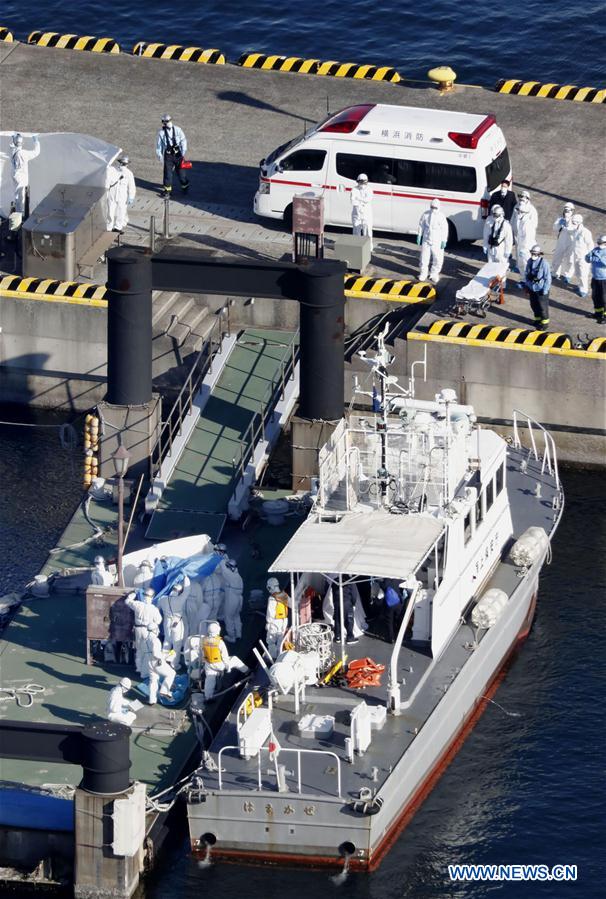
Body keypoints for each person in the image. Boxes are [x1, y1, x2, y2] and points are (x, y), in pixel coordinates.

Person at [202, 621, 249, 701]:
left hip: (209, 665)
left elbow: (202, 654)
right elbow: (225, 657)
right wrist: (228, 667)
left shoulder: (203, 640)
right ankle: (248, 671)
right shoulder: (220, 643)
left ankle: (208, 697)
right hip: (219, 665)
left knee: (209, 681)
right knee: (234, 659)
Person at [125, 589, 162, 674]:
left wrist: (134, 593)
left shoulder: (137, 604)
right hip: (147, 631)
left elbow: (127, 601)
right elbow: (159, 621)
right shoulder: (154, 609)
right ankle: (146, 669)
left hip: (138, 630)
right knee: (148, 650)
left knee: (139, 650)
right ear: (152, 597)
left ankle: (138, 668)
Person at [140, 624, 175, 704]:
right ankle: (164, 691)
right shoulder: (155, 640)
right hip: (157, 662)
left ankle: (152, 700)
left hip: (148, 661)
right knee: (171, 673)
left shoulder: (145, 639)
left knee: (153, 680)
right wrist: (167, 654)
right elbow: (156, 654)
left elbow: (144, 650)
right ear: (154, 630)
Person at [156, 113, 189, 196]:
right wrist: (159, 155)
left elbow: (183, 140)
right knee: (168, 174)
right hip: (168, 156)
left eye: (167, 121)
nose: (166, 123)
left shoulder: (178, 129)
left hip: (178, 155)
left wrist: (183, 151)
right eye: (164, 122)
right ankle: (167, 190)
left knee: (181, 173)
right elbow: (159, 145)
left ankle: (185, 186)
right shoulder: (161, 133)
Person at [417, 198, 449, 284]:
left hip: (437, 241)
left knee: (438, 259)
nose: (433, 209)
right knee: (424, 258)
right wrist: (419, 235)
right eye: (432, 207)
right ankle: (423, 273)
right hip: (426, 240)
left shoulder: (441, 216)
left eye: (435, 207)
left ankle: (434, 274)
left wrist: (444, 240)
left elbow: (445, 229)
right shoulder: (425, 214)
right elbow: (421, 225)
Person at [158, 583, 188, 668]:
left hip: (166, 622)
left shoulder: (162, 599)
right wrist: (186, 578)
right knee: (177, 644)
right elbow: (187, 591)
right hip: (177, 622)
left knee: (167, 641)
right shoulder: (180, 599)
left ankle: (163, 662)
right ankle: (174, 664)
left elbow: (157, 608)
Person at [511, 190, 538, 281]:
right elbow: (513, 218)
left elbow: (534, 224)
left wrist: (527, 233)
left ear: (528, 199)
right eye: (521, 196)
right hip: (517, 234)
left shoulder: (531, 210)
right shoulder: (517, 206)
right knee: (518, 251)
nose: (522, 198)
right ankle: (518, 265)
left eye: (524, 197)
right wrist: (511, 229)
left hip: (527, 238)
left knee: (525, 255)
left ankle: (527, 275)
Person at [11, 132, 40, 215]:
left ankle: (18, 212)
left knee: (17, 195)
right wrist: (36, 141)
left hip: (15, 174)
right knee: (21, 196)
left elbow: (12, 145)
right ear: (22, 143)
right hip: (21, 176)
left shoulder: (13, 150)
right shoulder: (24, 153)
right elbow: (36, 152)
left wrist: (13, 138)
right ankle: (20, 214)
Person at [523, 245, 552, 328]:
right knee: (534, 305)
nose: (533, 255)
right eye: (532, 253)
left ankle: (544, 323)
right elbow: (527, 274)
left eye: (535, 253)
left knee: (542, 307)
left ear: (539, 254)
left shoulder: (544, 263)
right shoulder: (529, 261)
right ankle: (537, 320)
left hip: (541, 289)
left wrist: (545, 290)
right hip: (532, 288)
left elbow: (548, 278)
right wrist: (527, 286)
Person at [106, 155, 136, 234]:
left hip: (122, 195)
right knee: (110, 210)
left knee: (121, 211)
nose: (123, 165)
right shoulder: (112, 170)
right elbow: (107, 181)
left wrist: (131, 196)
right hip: (112, 193)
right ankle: (109, 226)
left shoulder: (129, 173)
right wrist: (106, 192)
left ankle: (118, 227)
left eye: (124, 164)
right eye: (122, 163)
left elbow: (131, 186)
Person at [265, 578, 290, 659]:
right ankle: (280, 656)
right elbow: (292, 604)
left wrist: (268, 623)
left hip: (275, 621)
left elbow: (270, 613)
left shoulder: (272, 598)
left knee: (271, 640)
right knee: (281, 639)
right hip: (284, 620)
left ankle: (273, 656)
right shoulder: (283, 595)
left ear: (271, 587)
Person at [220, 558, 243, 643]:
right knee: (236, 616)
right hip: (239, 599)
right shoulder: (238, 576)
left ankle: (231, 637)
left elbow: (222, 567)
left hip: (232, 599)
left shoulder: (230, 575)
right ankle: (238, 634)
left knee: (228, 617)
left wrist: (220, 556)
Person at [570, 214, 594, 298]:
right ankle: (580, 286)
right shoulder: (574, 230)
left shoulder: (585, 232)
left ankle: (584, 290)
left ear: (579, 222)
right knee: (578, 272)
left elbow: (590, 245)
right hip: (576, 256)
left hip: (583, 257)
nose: (573, 223)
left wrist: (589, 256)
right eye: (572, 222)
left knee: (583, 273)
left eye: (575, 222)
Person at [552, 202, 576, 282]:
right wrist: (559, 224)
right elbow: (554, 228)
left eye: (569, 211)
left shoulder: (575, 220)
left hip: (571, 242)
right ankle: (555, 273)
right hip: (561, 241)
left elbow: (574, 231)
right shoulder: (560, 219)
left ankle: (567, 275)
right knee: (557, 257)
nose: (566, 212)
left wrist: (567, 225)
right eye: (565, 210)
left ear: (572, 211)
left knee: (570, 259)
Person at [585, 235, 606, 324]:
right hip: (595, 278)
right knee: (595, 297)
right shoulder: (595, 250)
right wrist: (589, 256)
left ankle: (605, 316)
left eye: (601, 243)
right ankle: (598, 313)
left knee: (604, 298)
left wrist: (599, 257)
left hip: (604, 279)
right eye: (598, 243)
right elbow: (587, 259)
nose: (599, 244)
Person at [351, 173, 373, 252]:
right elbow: (353, 201)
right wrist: (361, 201)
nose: (362, 184)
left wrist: (359, 199)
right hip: (356, 214)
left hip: (367, 215)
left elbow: (368, 199)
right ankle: (356, 247)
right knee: (356, 231)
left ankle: (369, 248)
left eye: (363, 182)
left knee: (367, 232)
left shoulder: (369, 190)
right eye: (360, 182)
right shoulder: (354, 189)